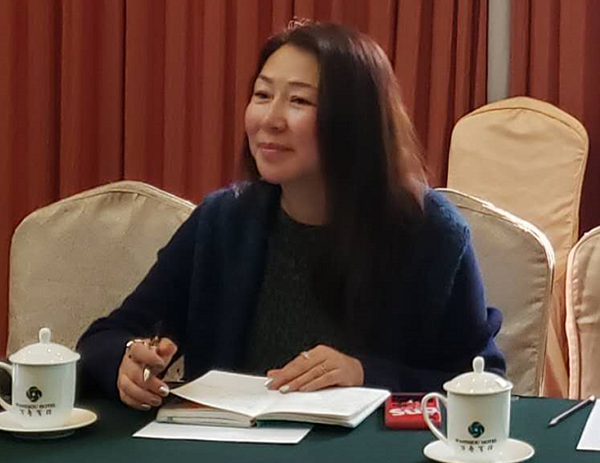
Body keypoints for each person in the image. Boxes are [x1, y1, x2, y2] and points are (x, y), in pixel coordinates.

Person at [77, 21, 505, 411]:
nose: (269, 119)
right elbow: (104, 338)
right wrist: (125, 361)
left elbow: (483, 380)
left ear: (355, 121)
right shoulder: (222, 222)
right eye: (262, 95)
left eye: (299, 100)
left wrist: (365, 374)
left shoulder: (429, 233)